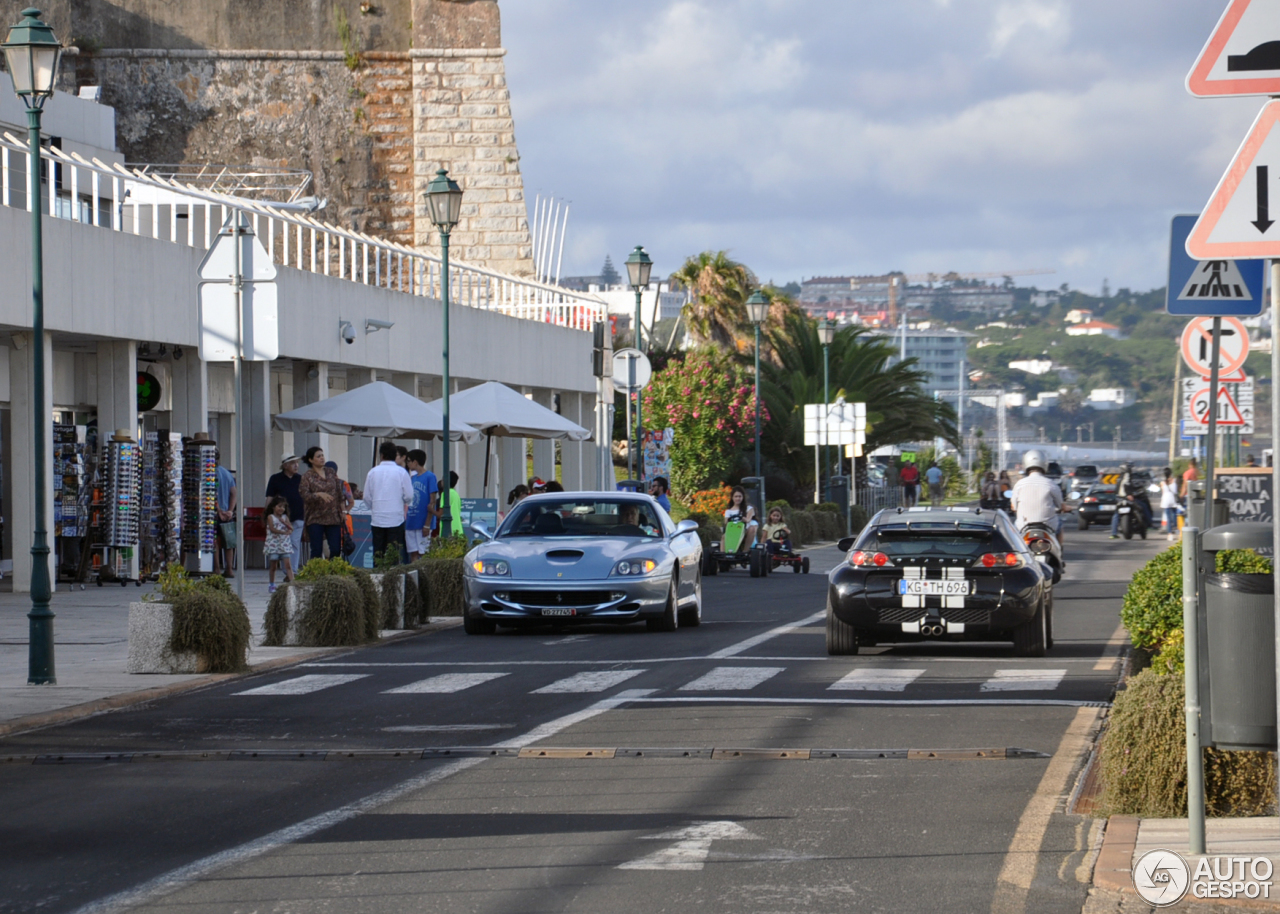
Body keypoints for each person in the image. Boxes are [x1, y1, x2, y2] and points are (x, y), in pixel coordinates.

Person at [364, 440, 414, 565]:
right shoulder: (402, 472)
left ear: (381, 455)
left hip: (378, 518)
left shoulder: (372, 472)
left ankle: (377, 578)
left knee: (378, 553)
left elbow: (366, 497)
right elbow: (409, 496)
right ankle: (393, 580)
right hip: (396, 518)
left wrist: (375, 507)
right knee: (394, 554)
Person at [298, 446, 345, 560]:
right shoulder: (307, 476)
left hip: (333, 516)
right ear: (311, 460)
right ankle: (317, 574)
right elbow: (304, 495)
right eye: (318, 456)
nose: (322, 458)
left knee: (335, 548)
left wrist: (343, 511)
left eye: (322, 455)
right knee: (316, 550)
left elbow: (339, 493)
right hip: (315, 517)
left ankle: (333, 573)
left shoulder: (330, 472)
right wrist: (318, 494)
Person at [1009, 449, 1066, 542]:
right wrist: (1066, 508)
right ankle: (1059, 552)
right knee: (1060, 524)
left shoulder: (1019, 484)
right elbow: (1061, 506)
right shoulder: (1051, 484)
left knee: (1014, 536)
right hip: (1048, 525)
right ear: (1044, 463)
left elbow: (1014, 507)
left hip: (1023, 526)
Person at [265, 453, 305, 572]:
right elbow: (270, 497)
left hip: (298, 515)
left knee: (294, 542)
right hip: (281, 517)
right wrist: (266, 514)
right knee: (283, 543)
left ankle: (292, 571)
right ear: (285, 465)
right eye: (293, 463)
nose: (296, 465)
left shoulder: (301, 479)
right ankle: (286, 569)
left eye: (297, 463)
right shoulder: (275, 479)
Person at [405, 449, 439, 560]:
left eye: (409, 461)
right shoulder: (412, 478)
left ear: (415, 462)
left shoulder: (430, 476)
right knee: (413, 552)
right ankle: (414, 576)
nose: (408, 463)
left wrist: (427, 524)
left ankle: (424, 575)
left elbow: (432, 500)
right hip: (411, 520)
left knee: (423, 552)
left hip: (423, 521)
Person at [1110, 463, 1153, 539]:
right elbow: (1126, 485)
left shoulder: (1120, 477)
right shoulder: (1127, 476)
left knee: (1116, 515)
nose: (1130, 469)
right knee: (1143, 507)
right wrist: (1129, 494)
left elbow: (1117, 489)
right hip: (1127, 497)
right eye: (1129, 468)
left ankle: (1113, 532)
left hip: (1120, 498)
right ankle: (1149, 524)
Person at [214, 447, 237, 578]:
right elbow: (234, 493)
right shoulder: (226, 473)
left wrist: (220, 511)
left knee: (215, 541)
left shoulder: (210, 473)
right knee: (228, 541)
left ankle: (217, 568)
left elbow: (211, 494)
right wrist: (230, 510)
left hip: (215, 512)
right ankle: (229, 568)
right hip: (227, 513)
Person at [264, 496, 295, 592]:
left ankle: (293, 583)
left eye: (283, 507)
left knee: (288, 565)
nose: (281, 509)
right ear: (273, 507)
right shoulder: (270, 517)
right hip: (274, 544)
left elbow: (291, 528)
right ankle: (272, 584)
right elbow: (272, 529)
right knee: (273, 565)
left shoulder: (285, 517)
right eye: (279, 506)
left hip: (284, 545)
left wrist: (285, 524)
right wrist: (283, 532)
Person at [724, 485, 758, 551]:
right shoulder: (728, 511)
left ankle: (745, 551)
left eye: (740, 496)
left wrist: (744, 519)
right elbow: (726, 522)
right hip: (732, 530)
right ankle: (724, 553)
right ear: (732, 498)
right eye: (736, 496)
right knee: (723, 537)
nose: (738, 498)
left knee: (752, 528)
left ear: (743, 497)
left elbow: (748, 519)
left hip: (744, 530)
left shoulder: (749, 508)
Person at [1159, 468, 1180, 542]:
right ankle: (1176, 529)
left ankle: (1170, 534)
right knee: (1174, 515)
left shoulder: (1162, 482)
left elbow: (1163, 492)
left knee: (1168, 517)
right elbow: (1176, 491)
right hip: (1173, 499)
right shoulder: (1174, 480)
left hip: (1166, 500)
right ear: (1170, 473)